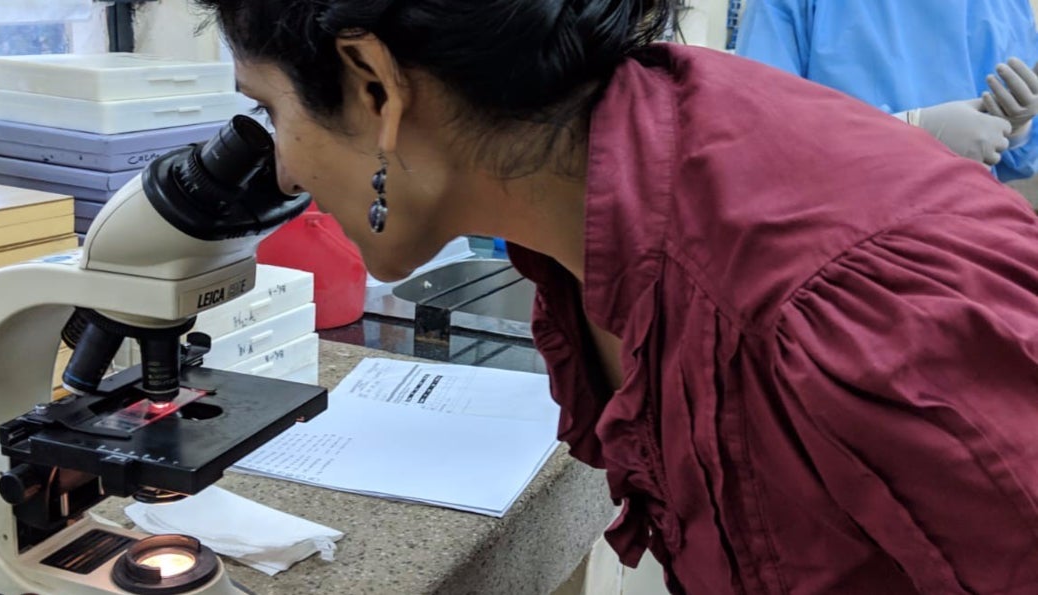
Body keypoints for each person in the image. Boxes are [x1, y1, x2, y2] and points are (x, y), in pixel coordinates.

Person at [194, 0, 1038, 592]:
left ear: (373, 82)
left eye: (270, 110)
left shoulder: (828, 308)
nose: (282, 171)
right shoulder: (594, 205)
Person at [735, 0, 1038, 181]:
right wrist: (909, 130)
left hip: (970, 237)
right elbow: (761, 140)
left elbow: (1020, 159)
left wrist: (1017, 127)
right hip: (846, 242)